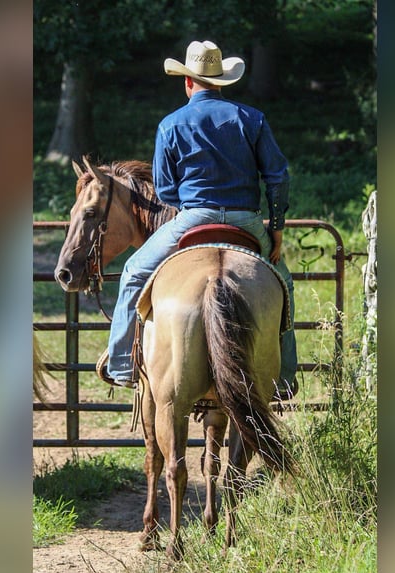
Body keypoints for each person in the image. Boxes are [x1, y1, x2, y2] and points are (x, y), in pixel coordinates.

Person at [98, 40, 297, 395]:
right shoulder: (251, 119)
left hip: (193, 219)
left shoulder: (170, 124)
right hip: (246, 221)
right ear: (221, 82)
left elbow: (165, 188)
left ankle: (121, 364)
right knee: (283, 282)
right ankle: (284, 378)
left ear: (187, 82)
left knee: (132, 272)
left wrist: (192, 204)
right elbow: (278, 176)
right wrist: (276, 228)